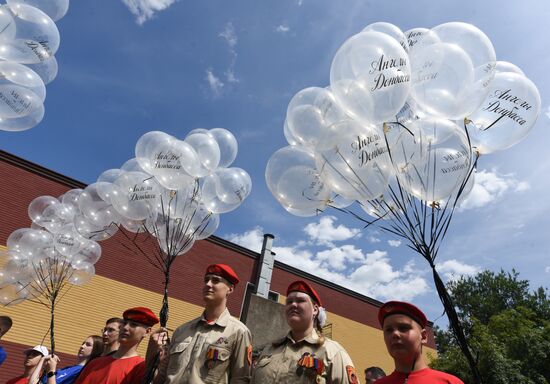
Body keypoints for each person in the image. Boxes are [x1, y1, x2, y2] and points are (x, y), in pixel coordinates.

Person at [149, 263, 252, 383]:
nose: (208, 284)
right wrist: (152, 351)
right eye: (206, 280)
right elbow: (162, 376)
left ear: (230, 289)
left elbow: (241, 379)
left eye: (215, 281)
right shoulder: (182, 330)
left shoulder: (238, 332)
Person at [251, 280, 360, 384]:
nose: (293, 304)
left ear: (315, 309)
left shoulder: (332, 352)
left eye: (300, 301)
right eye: (289, 302)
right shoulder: (269, 349)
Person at [376, 301, 463, 383]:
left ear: (424, 336)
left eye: (403, 328)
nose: (395, 334)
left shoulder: (450, 382)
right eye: (389, 330)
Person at [74, 307, 159, 384]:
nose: (125, 327)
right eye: (124, 323)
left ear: (147, 331)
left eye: (133, 325)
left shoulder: (141, 367)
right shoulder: (95, 363)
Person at [38, 335, 104, 384]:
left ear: (96, 350)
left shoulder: (83, 372)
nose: (82, 346)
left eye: (88, 345)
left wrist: (51, 370)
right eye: (83, 343)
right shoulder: (68, 368)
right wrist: (44, 364)